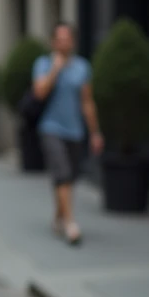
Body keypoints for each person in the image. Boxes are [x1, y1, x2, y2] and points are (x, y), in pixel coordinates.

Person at [31, 22, 103, 245]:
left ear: (73, 41)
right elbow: (39, 93)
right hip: (51, 128)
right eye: (59, 39)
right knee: (61, 172)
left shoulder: (82, 67)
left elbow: (87, 102)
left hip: (75, 131)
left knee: (69, 176)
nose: (63, 42)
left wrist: (95, 133)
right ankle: (70, 222)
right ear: (53, 42)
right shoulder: (43, 64)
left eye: (67, 38)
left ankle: (58, 216)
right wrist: (55, 69)